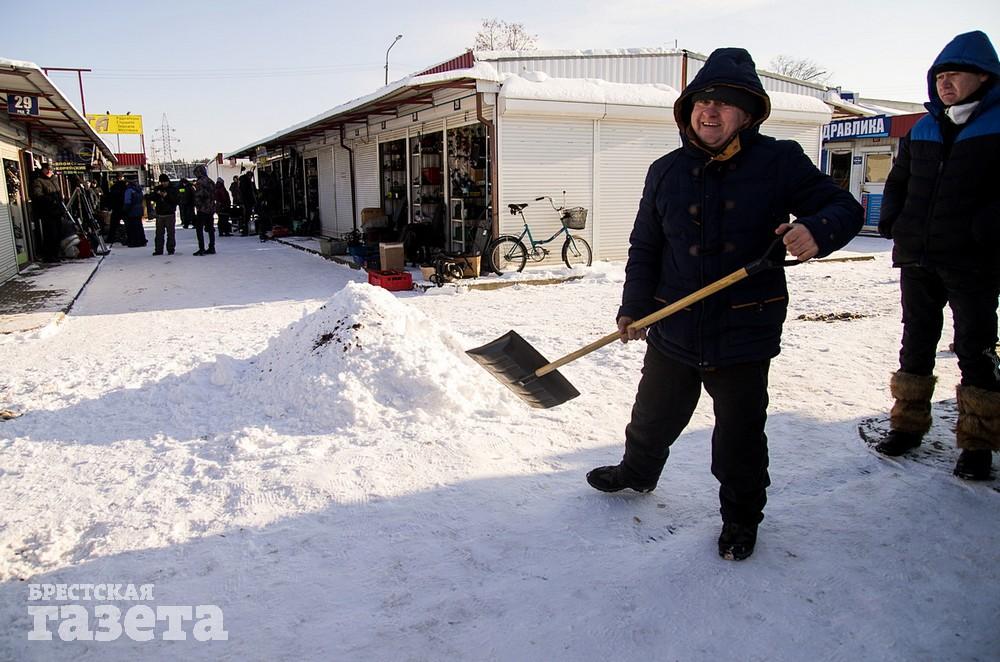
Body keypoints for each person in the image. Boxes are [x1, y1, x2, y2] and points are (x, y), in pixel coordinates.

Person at [585, 47, 864, 561]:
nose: (709, 111)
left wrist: (815, 231)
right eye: (701, 102)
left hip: (743, 327)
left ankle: (740, 516)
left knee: (738, 435)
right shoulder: (665, 171)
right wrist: (633, 307)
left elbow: (843, 205)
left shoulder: (777, 161)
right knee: (652, 415)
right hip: (673, 321)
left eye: (724, 103)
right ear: (688, 111)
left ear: (747, 113)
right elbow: (646, 245)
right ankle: (638, 472)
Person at [875, 31, 1000, 481]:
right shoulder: (924, 128)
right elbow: (898, 181)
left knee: (975, 348)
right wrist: (894, 222)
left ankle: (978, 443)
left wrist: (982, 231)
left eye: (954, 75)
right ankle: (907, 427)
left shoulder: (997, 125)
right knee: (916, 341)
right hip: (918, 257)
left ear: (984, 78)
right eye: (939, 77)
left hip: (974, 261)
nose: (945, 84)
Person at [29, 163, 64, 263]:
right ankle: (49, 256)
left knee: (58, 233)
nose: (49, 171)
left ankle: (56, 254)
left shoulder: (54, 180)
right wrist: (50, 199)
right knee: (50, 234)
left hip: (57, 211)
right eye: (47, 169)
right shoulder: (39, 181)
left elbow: (58, 194)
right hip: (48, 212)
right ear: (43, 170)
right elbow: (37, 195)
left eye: (50, 169)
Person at [150, 174, 179, 255]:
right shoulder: (158, 188)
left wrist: (166, 196)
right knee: (159, 234)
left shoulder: (173, 189)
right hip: (160, 214)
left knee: (171, 233)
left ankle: (171, 249)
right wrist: (155, 195)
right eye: (162, 182)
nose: (163, 183)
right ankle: (158, 250)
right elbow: (153, 198)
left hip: (169, 213)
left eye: (164, 182)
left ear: (167, 181)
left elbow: (175, 200)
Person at [192, 164, 216, 255]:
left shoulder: (199, 182)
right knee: (210, 228)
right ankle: (212, 247)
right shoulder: (211, 181)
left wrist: (197, 206)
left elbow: (198, 196)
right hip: (211, 208)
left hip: (202, 209)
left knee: (199, 229)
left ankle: (201, 248)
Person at [122, 180, 147, 247]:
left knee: (132, 227)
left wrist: (124, 210)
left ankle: (134, 242)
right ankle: (142, 241)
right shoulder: (139, 190)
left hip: (132, 211)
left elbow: (127, 202)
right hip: (139, 210)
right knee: (139, 226)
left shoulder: (129, 190)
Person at [106, 174, 127, 246]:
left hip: (116, 208)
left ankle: (111, 238)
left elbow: (110, 198)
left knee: (113, 225)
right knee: (127, 224)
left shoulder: (113, 188)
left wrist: (110, 207)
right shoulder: (125, 187)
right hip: (123, 208)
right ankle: (128, 237)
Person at [238, 169, 256, 236]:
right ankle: (246, 230)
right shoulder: (246, 182)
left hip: (246, 201)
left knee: (246, 217)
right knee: (247, 217)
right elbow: (248, 192)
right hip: (247, 201)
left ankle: (246, 230)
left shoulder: (243, 181)